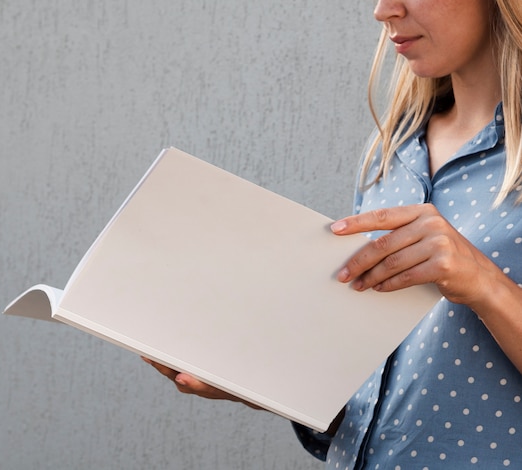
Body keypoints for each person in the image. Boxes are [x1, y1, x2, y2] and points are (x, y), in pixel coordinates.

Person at [145, 0, 522, 467]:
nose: (383, 11)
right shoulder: (390, 152)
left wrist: (484, 283)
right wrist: (264, 384)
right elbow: (382, 414)